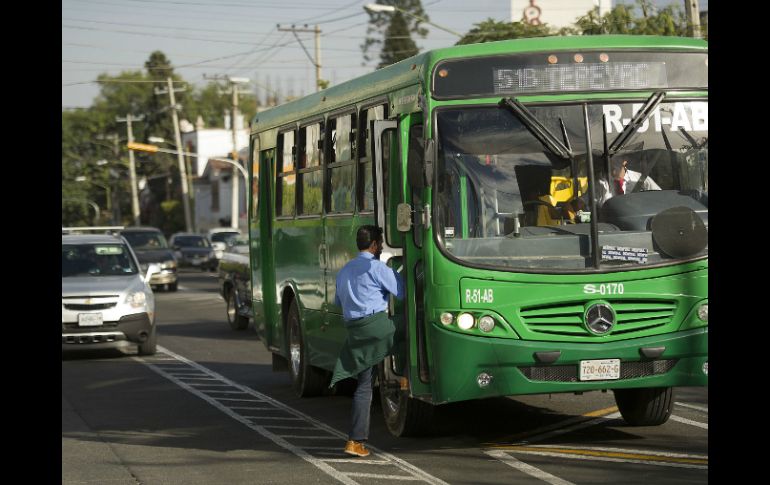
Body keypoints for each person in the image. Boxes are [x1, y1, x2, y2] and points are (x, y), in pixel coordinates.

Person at [328, 225, 404, 458]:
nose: (381, 247)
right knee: (410, 327)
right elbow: (402, 292)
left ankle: (355, 441)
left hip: (355, 333)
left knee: (364, 386)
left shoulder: (344, 270)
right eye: (380, 243)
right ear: (374, 245)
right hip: (376, 328)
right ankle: (405, 377)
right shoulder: (377, 268)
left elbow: (338, 302)